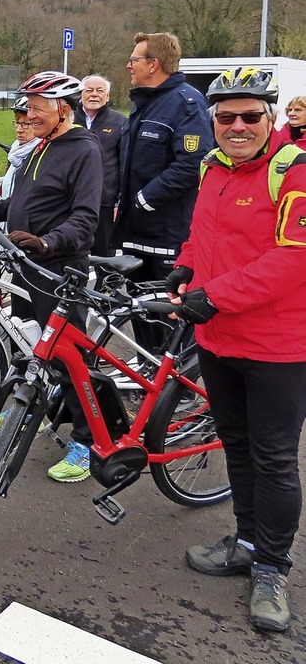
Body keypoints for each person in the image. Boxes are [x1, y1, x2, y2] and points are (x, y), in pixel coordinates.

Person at [166, 67, 306, 633]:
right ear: (214, 123)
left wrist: (212, 296)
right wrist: (185, 265)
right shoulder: (211, 168)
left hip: (278, 346)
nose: (238, 126)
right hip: (219, 340)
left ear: (270, 118)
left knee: (274, 460)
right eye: (226, 117)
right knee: (238, 449)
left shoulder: (293, 172)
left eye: (251, 115)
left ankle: (272, 569)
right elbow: (205, 235)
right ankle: (247, 541)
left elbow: (293, 258)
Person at [0, 71, 103, 483]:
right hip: (26, 265)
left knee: (72, 362)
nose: (29, 114)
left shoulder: (83, 150)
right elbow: (22, 201)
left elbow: (86, 219)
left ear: (63, 110)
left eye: (37, 108)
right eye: (28, 107)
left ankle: (88, 443)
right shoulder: (43, 146)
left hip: (58, 270)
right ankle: (27, 403)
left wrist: (47, 243)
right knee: (26, 341)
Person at [113, 32, 213, 279]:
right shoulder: (143, 103)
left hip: (166, 238)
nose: (129, 65)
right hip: (134, 234)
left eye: (134, 59)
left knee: (162, 314)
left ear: (153, 64)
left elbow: (192, 165)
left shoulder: (186, 103)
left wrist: (144, 199)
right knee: (136, 311)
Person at [73, 74, 126, 256]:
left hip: (104, 202)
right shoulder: (68, 120)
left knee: (104, 257)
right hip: (70, 202)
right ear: (81, 94)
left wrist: (119, 200)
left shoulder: (120, 123)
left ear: (107, 96)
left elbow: (124, 165)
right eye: (89, 90)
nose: (94, 95)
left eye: (99, 91)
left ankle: (104, 286)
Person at [0, 96, 41, 201]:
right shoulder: (16, 151)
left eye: (25, 124)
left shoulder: (40, 154)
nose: (19, 130)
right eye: (17, 123)